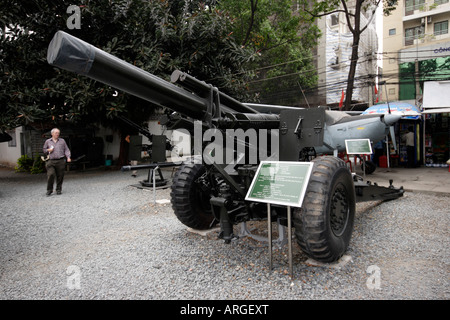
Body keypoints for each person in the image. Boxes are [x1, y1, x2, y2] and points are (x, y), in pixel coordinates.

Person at [42, 128, 71, 195]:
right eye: (56, 133)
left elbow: (66, 149)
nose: (57, 134)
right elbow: (44, 150)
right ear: (52, 134)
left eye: (58, 133)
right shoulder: (48, 141)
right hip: (51, 161)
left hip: (60, 160)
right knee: (51, 174)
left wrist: (68, 157)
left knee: (60, 175)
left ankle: (58, 189)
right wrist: (48, 150)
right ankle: (49, 190)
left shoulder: (62, 141)